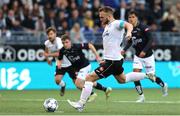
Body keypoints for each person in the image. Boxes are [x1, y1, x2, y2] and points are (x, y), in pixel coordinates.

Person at [67, 6, 154, 112]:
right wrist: (105, 59)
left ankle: (80, 104)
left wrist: (129, 32)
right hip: (112, 60)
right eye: (100, 17)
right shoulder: (107, 27)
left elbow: (129, 25)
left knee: (89, 78)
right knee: (123, 80)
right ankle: (147, 75)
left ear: (109, 15)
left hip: (113, 61)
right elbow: (110, 45)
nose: (100, 19)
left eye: (102, 17)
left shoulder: (117, 23)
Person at [121, 10, 168, 102]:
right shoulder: (129, 29)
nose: (131, 19)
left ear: (137, 18)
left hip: (148, 56)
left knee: (152, 77)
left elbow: (151, 40)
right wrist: (124, 49)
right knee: (135, 75)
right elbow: (130, 41)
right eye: (129, 17)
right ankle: (141, 96)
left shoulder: (143, 27)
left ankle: (164, 85)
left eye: (133, 17)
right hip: (138, 56)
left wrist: (144, 51)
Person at [57, 34, 112, 102]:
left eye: (66, 42)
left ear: (70, 41)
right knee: (88, 81)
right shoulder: (62, 50)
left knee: (77, 84)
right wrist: (59, 63)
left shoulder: (76, 46)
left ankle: (92, 94)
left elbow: (90, 45)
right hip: (78, 69)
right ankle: (106, 89)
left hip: (85, 66)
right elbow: (59, 58)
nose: (65, 44)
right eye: (63, 43)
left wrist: (97, 56)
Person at [44, 27, 72, 96]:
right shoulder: (47, 43)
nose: (50, 36)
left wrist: (48, 55)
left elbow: (60, 53)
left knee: (77, 82)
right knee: (57, 81)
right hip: (59, 63)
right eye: (48, 34)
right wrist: (48, 60)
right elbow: (46, 51)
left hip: (69, 63)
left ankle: (89, 92)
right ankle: (63, 85)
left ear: (55, 34)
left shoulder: (59, 41)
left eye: (51, 34)